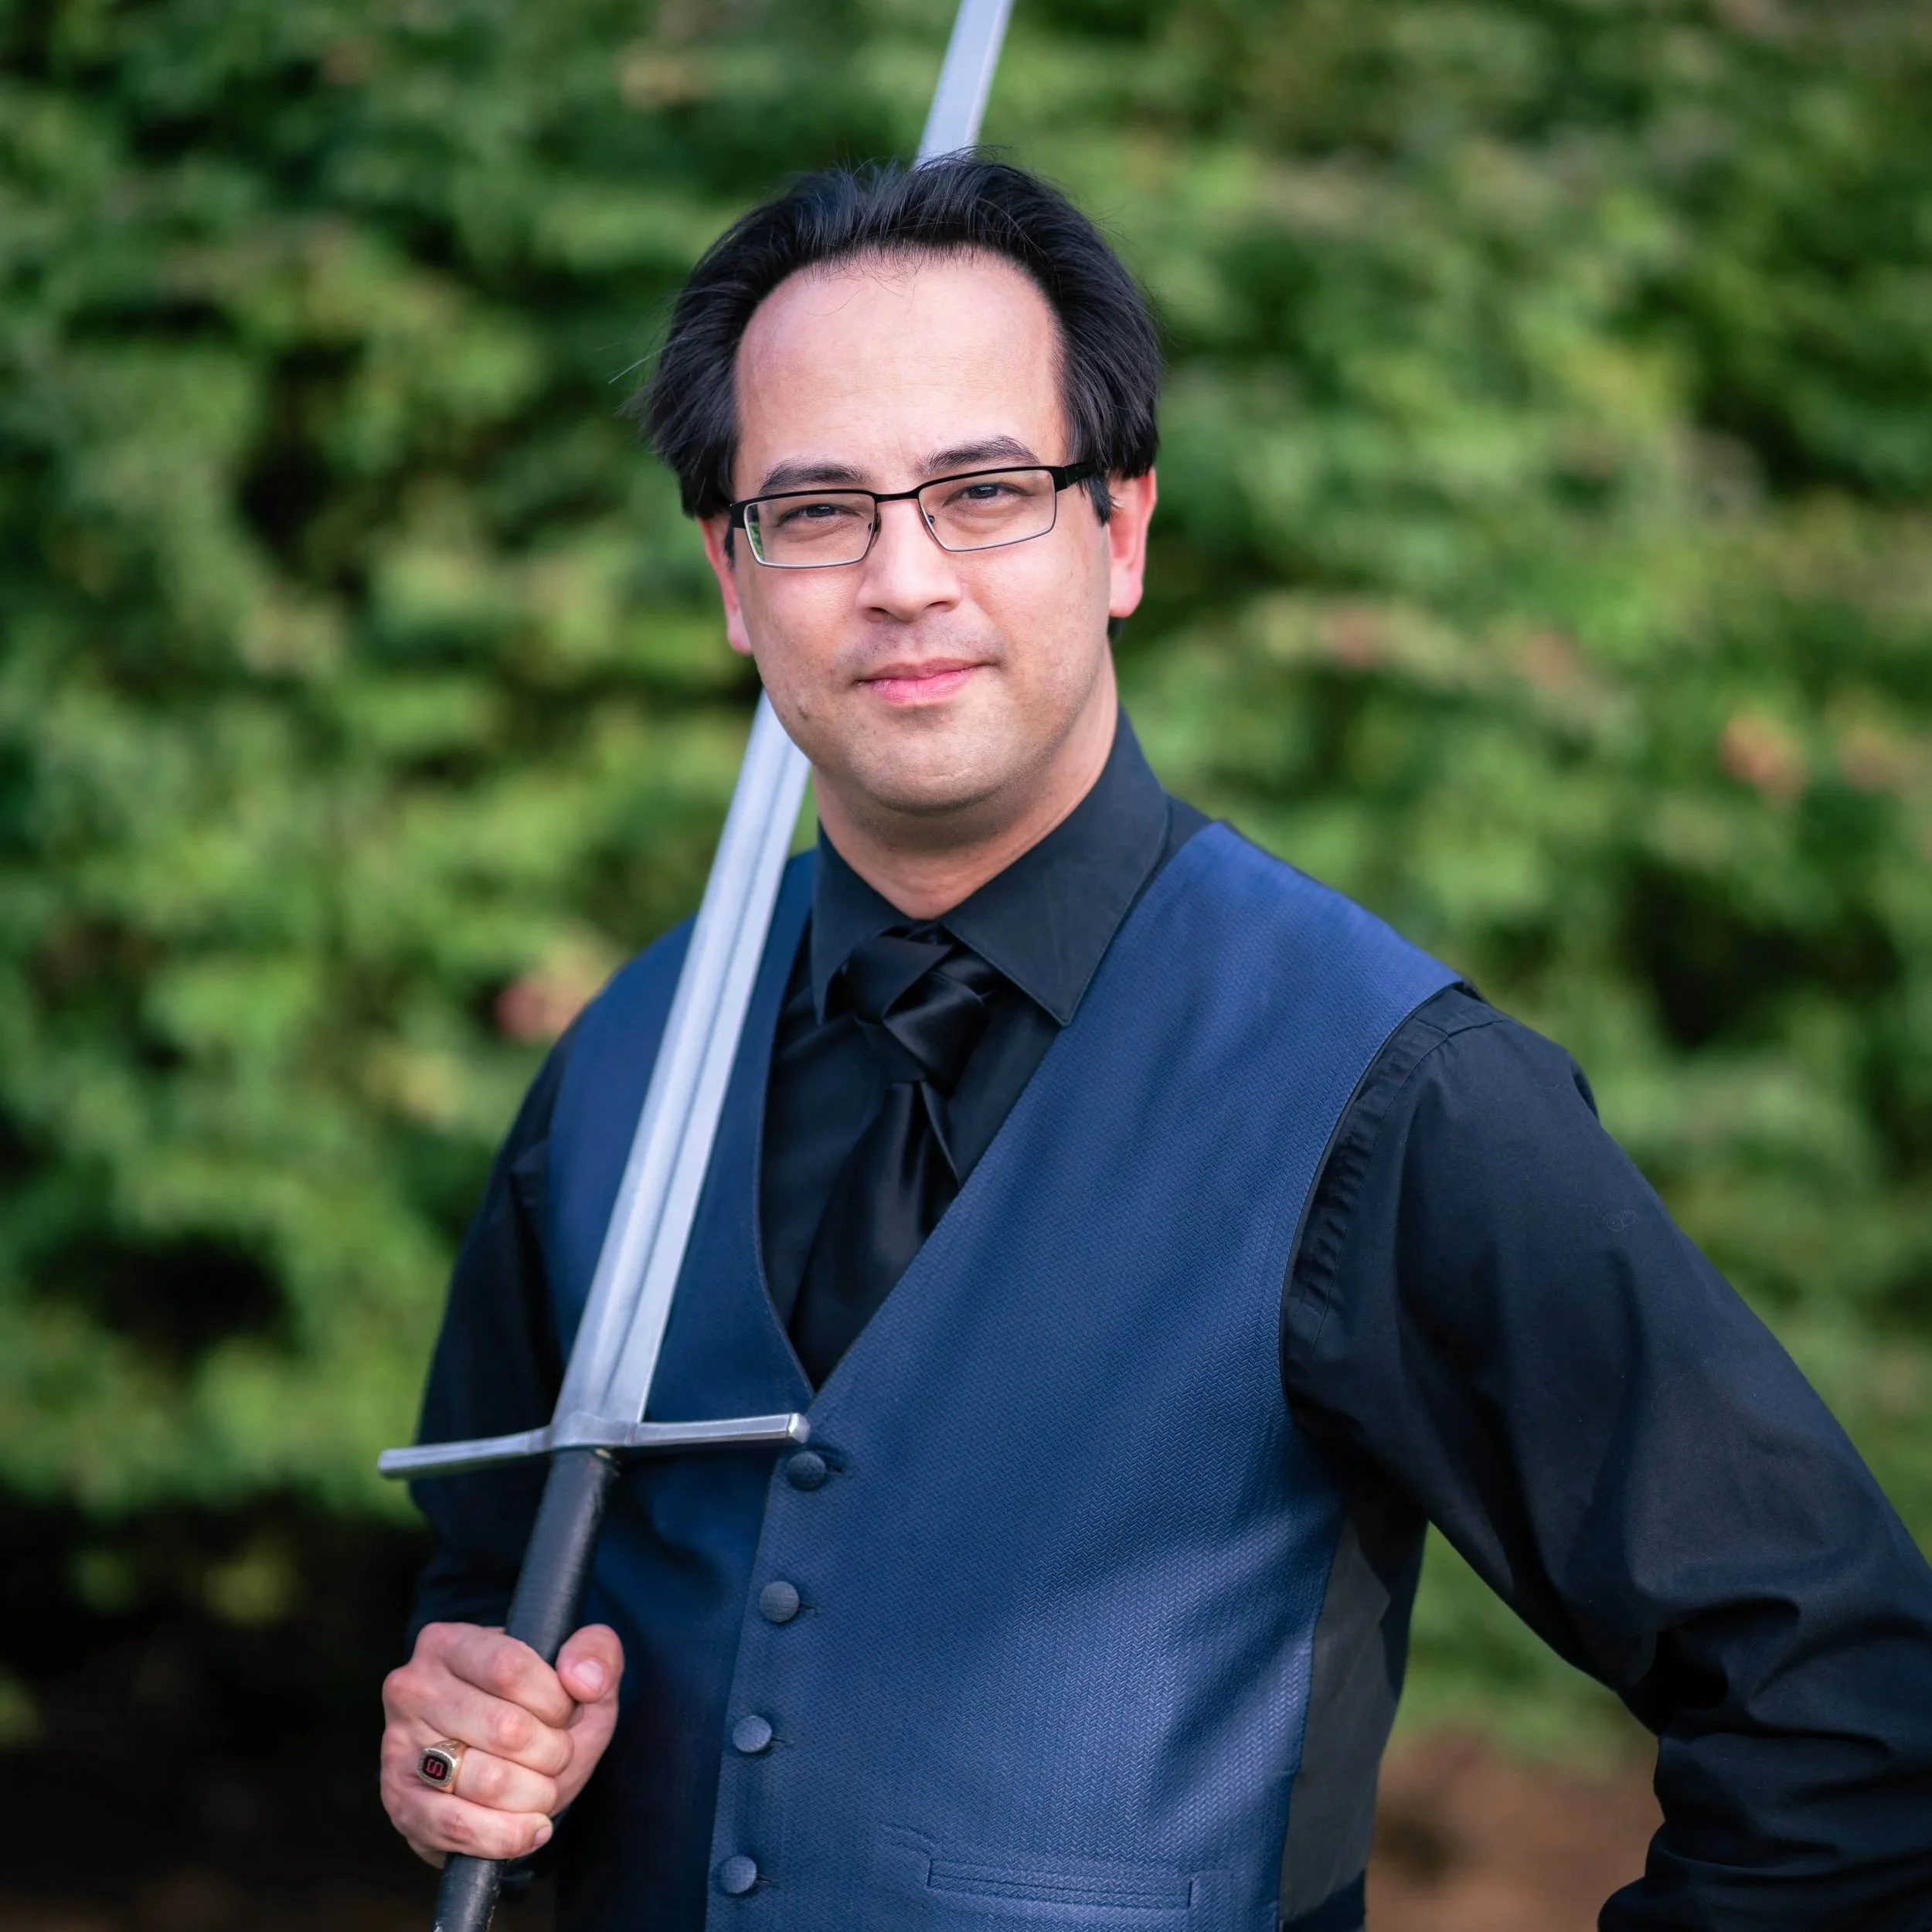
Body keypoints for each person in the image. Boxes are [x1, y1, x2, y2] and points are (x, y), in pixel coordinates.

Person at [378, 158, 1932, 1932]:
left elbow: (1848, 1721)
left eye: (983, 491)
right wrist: (463, 1746)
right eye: (812, 511)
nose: (901, 579)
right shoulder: (621, 1069)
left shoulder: (1389, 1089)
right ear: (734, 577)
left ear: (1117, 531)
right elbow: (488, 1584)